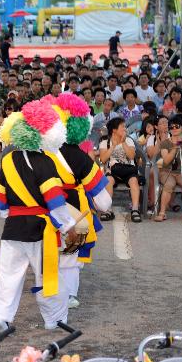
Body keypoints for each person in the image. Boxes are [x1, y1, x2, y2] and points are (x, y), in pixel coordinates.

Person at [0, 100, 78, 330]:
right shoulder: (46, 161)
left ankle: (1, 316)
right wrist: (68, 226)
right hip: (41, 230)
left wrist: (11, 215)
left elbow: (0, 201)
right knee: (47, 276)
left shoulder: (6, 160)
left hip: (13, 228)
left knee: (8, 277)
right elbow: (55, 200)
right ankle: (54, 319)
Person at [47, 94, 112, 309]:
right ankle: (69, 295)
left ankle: (50, 288)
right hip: (76, 210)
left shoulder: (43, 153)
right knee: (71, 257)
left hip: (46, 208)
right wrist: (102, 207)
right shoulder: (83, 158)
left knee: (49, 250)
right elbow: (103, 201)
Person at [99, 117, 143, 223]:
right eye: (122, 126)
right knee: (108, 180)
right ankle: (108, 210)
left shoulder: (129, 141)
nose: (125, 129)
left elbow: (132, 156)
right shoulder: (105, 142)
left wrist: (123, 143)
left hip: (128, 171)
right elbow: (103, 159)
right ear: (114, 130)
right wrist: (113, 146)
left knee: (133, 181)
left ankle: (135, 209)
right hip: (113, 171)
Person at [154, 114, 182, 223]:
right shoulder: (165, 143)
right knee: (169, 184)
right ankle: (162, 212)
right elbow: (166, 161)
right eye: (171, 127)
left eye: (177, 126)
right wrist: (174, 149)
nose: (174, 129)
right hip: (166, 171)